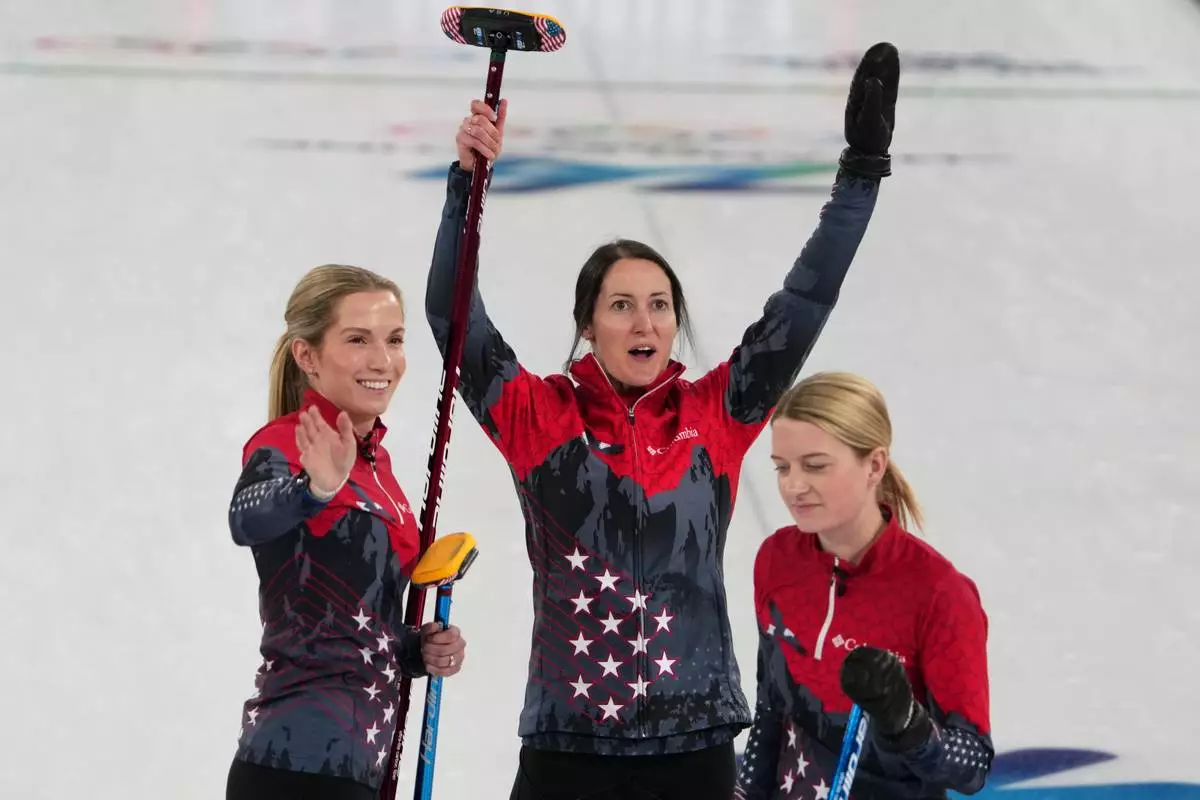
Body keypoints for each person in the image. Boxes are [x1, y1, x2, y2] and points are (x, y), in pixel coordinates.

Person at [426, 43, 901, 800]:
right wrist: (467, 185)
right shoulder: (539, 416)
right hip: (567, 743)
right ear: (587, 325)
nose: (645, 321)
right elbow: (455, 320)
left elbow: (802, 305)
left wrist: (859, 177)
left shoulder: (717, 410)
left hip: (696, 743)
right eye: (621, 304)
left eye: (659, 305)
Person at [224, 264, 469, 800]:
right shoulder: (288, 443)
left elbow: (356, 626)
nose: (382, 360)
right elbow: (246, 517)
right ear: (307, 356)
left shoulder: (379, 471)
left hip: (360, 768)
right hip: (295, 767)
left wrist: (416, 650)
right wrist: (311, 489)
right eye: (358, 340)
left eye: (394, 339)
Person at [734, 372, 993, 799]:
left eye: (815, 466)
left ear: (874, 464)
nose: (792, 486)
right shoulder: (776, 560)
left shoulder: (939, 594)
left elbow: (972, 767)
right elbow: (771, 711)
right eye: (782, 467)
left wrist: (906, 723)